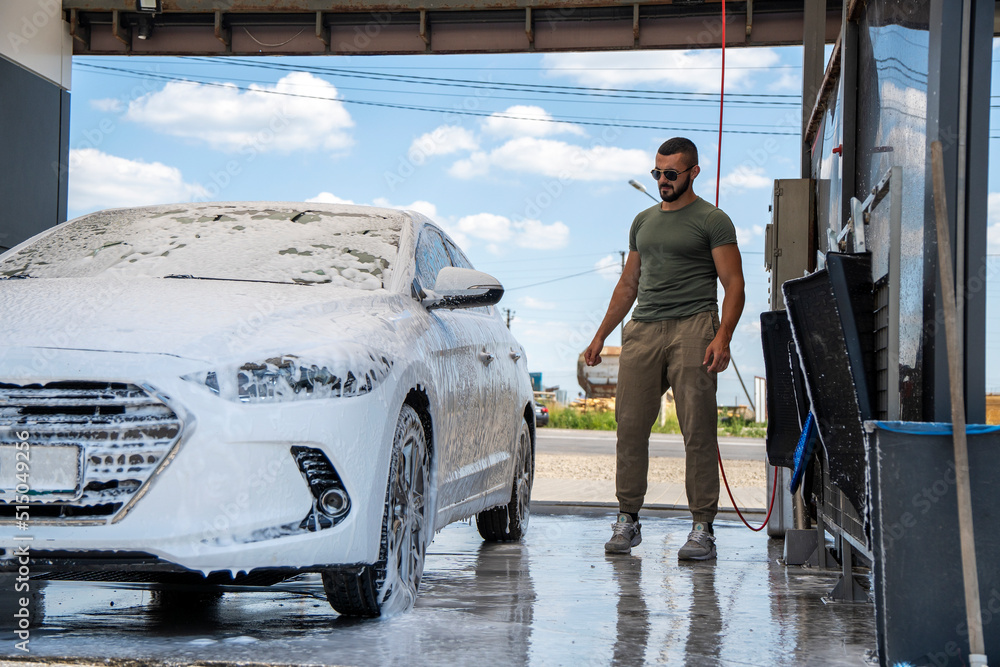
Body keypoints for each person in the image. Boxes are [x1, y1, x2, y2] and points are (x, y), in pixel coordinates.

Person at [584, 137, 745, 560]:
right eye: (657, 173)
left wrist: (722, 336)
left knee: (697, 429)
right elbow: (628, 284)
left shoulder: (713, 220)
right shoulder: (642, 221)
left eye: (671, 174)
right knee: (630, 426)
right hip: (643, 330)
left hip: (694, 328)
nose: (662, 181)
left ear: (693, 172)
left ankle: (702, 527)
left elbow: (734, 284)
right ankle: (627, 519)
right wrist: (601, 335)